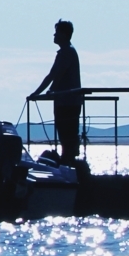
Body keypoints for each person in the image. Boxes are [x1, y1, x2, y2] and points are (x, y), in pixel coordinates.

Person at [30, 19, 83, 164]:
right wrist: (37, 93)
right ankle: (67, 160)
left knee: (67, 134)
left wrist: (49, 90)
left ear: (64, 35)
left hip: (68, 102)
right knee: (65, 134)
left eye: (57, 33)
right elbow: (52, 75)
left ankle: (68, 162)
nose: (54, 35)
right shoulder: (65, 52)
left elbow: (56, 75)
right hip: (65, 101)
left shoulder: (67, 52)